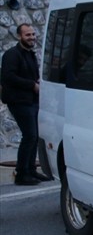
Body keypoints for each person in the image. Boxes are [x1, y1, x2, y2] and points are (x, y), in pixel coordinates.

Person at [2, 23, 51, 185]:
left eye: (33, 34)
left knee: (34, 136)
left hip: (31, 101)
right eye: (27, 35)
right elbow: (8, 77)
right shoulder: (12, 55)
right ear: (19, 36)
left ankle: (31, 170)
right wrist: (32, 85)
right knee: (29, 135)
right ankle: (22, 173)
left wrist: (37, 81)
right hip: (19, 101)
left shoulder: (30, 54)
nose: (31, 38)